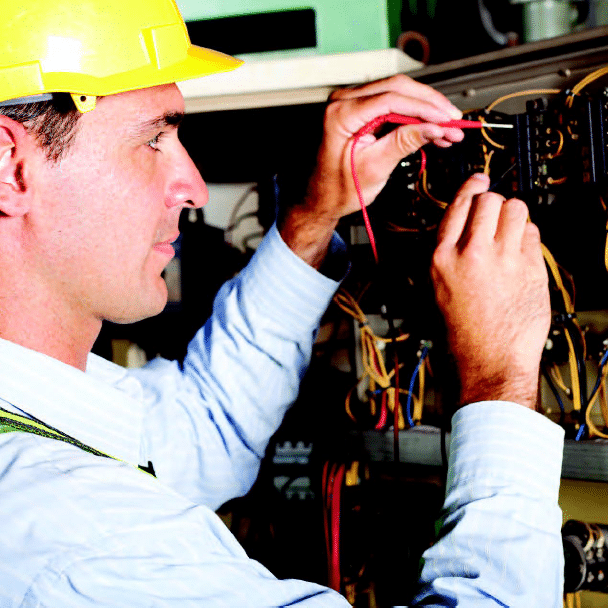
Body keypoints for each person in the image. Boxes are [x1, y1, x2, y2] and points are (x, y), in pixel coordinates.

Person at [0, 0, 564, 606]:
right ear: (11, 164)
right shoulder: (80, 546)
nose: (191, 187)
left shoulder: (34, 421)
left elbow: (203, 426)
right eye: (154, 139)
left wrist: (312, 217)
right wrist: (497, 383)